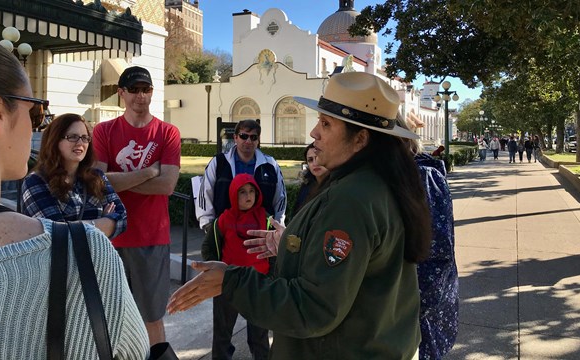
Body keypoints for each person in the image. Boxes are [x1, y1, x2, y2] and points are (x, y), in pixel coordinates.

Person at [168, 72, 432, 359]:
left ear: (360, 140)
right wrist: (292, 247)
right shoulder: (374, 183)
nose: (314, 133)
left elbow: (314, 308)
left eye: (326, 124)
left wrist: (230, 280)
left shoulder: (352, 199)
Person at [0, 29, 148, 358]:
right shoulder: (86, 249)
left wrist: (86, 226)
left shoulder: (94, 182)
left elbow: (119, 215)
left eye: (84, 138)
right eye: (35, 112)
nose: (35, 125)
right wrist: (93, 230)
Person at [92, 66, 181, 346]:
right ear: (121, 93)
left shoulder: (167, 133)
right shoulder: (104, 131)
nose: (141, 96)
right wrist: (147, 173)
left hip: (152, 237)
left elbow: (167, 186)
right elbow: (96, 182)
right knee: (110, 317)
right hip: (111, 236)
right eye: (134, 90)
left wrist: (117, 181)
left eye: (146, 89)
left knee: (152, 318)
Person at [401, 123, 459, 360]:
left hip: (416, 322)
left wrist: (408, 313)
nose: (315, 134)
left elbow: (435, 256)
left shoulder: (422, 178)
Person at [21, 113, 126, 239]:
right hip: (59, 259)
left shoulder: (97, 177)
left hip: (96, 258)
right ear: (54, 140)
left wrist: (71, 227)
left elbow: (122, 219)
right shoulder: (36, 181)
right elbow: (57, 235)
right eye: (72, 137)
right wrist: (103, 222)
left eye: (85, 137)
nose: (80, 143)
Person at [202, 174, 271, 360]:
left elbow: (275, 250)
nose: (248, 196)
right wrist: (215, 268)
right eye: (242, 192)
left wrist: (273, 275)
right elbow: (208, 247)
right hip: (228, 283)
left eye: (251, 191)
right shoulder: (224, 220)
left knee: (259, 331)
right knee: (223, 330)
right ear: (233, 195)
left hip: (258, 283)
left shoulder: (265, 219)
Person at [196, 119, 287, 232]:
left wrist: (278, 226)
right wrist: (208, 225)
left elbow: (280, 197)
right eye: (244, 136)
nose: (248, 141)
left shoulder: (270, 164)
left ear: (258, 140)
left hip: (261, 231)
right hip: (226, 230)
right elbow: (205, 193)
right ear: (235, 138)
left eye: (253, 137)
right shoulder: (219, 162)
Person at [293, 143, 329, 215]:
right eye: (310, 160)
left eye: (319, 158)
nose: (315, 163)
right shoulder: (306, 185)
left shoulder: (338, 185)